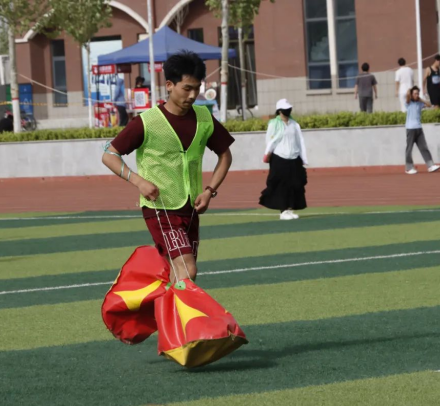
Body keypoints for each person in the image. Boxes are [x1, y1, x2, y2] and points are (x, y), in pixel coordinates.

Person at [102, 51, 235, 283]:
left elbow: (225, 155)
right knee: (187, 270)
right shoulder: (146, 122)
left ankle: (161, 307)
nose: (192, 95)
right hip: (160, 207)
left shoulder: (204, 118)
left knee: (178, 275)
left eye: (197, 88)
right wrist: (138, 181)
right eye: (187, 88)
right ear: (169, 85)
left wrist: (209, 191)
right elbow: (110, 155)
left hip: (191, 208)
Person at [260, 99, 308, 221]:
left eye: (289, 108)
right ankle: (283, 210)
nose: (288, 111)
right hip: (279, 158)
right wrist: (267, 153)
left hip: (294, 158)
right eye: (285, 109)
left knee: (295, 184)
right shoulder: (274, 124)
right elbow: (270, 140)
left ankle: (290, 208)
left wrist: (303, 157)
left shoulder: (294, 124)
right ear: (279, 111)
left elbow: (300, 141)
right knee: (281, 185)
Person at [405, 86, 440, 175]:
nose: (416, 95)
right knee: (409, 149)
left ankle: (430, 165)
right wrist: (410, 92)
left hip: (419, 128)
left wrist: (420, 99)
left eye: (418, 93)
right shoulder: (408, 103)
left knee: (424, 147)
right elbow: (407, 97)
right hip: (410, 128)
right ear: (411, 94)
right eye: (415, 93)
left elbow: (429, 105)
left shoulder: (419, 103)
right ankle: (409, 168)